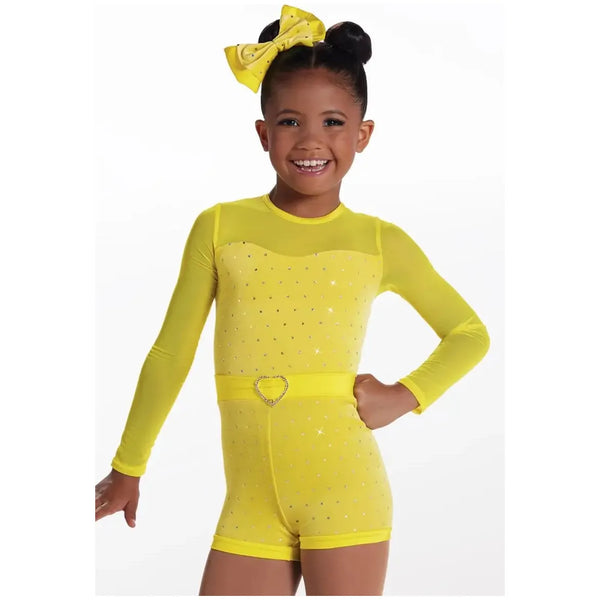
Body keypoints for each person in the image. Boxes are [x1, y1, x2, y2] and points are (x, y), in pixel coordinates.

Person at [95, 4, 491, 595]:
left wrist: (405, 396)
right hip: (249, 503)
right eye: (289, 121)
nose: (311, 140)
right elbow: (170, 354)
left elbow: (469, 333)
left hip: (345, 491)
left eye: (333, 122)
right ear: (263, 134)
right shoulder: (219, 227)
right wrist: (129, 465)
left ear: (362, 134)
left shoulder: (379, 242)